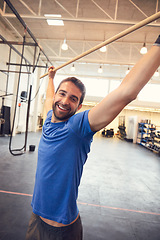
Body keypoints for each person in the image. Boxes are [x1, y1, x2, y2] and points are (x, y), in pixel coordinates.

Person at [25, 35, 160, 240]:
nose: (64, 101)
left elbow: (126, 93)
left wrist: (158, 45)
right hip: (36, 219)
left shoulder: (77, 127)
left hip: (60, 230)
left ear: (79, 107)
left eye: (73, 98)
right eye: (62, 94)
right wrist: (52, 78)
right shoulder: (50, 118)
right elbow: (49, 100)